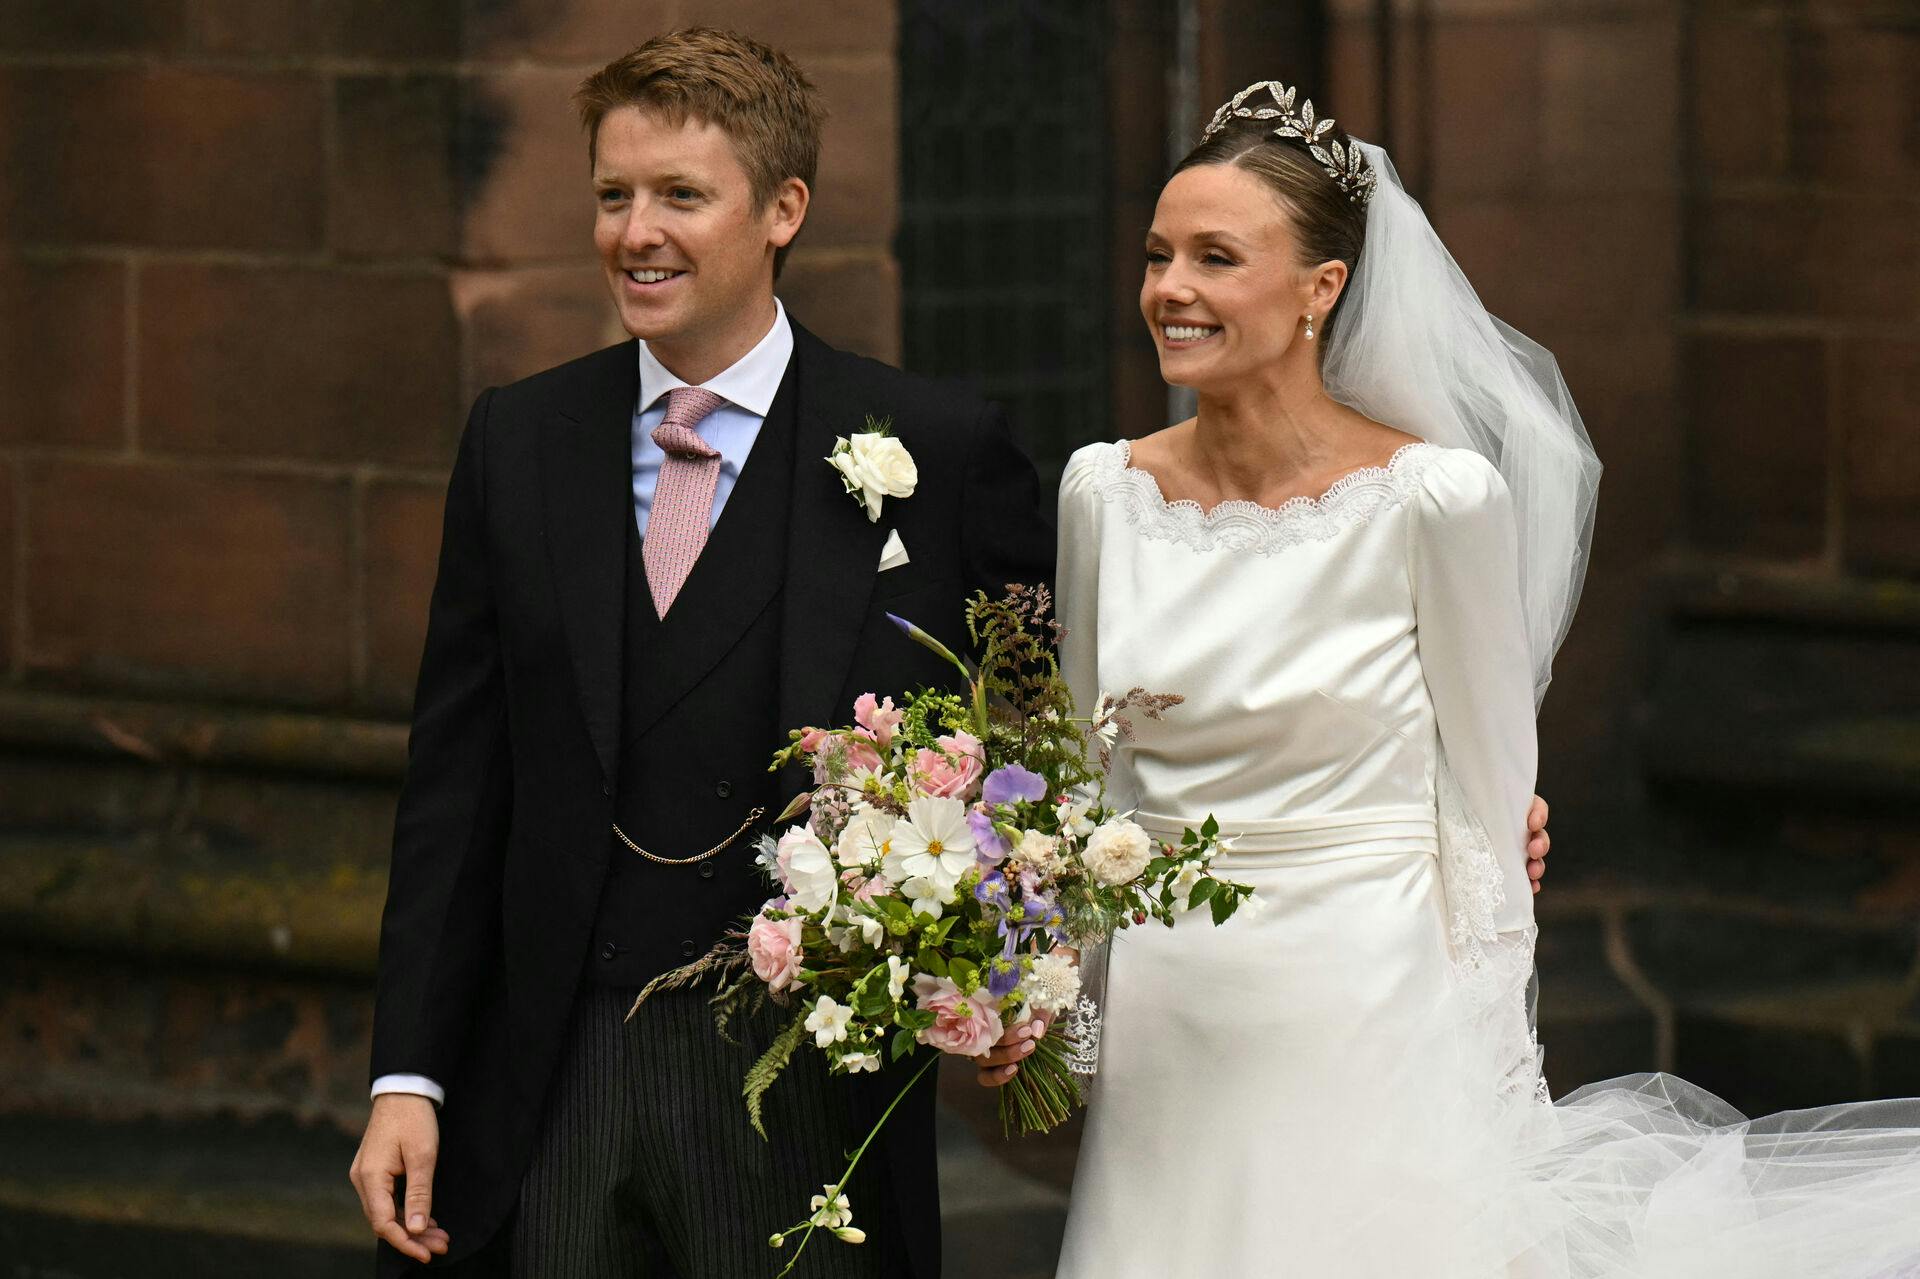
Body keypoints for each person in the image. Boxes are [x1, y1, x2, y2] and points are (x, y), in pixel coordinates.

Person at [995, 80, 1920, 1276]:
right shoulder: (1100, 489)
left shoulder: (1434, 498)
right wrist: (1061, 1012)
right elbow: (1082, 772)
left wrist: (1487, 1076)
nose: (1170, 288)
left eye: (1217, 257)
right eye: (1160, 254)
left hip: (1370, 1002)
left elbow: (1489, 801)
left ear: (1321, 288)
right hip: (1169, 1008)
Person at [347, 28, 1052, 1278]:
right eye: (613, 194)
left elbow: (1036, 746)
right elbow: (457, 785)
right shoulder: (521, 440)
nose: (635, 231)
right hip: (551, 1067)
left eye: (681, 194)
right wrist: (409, 1075)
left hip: (806, 1088)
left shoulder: (931, 447)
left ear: (783, 209)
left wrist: (1012, 976)